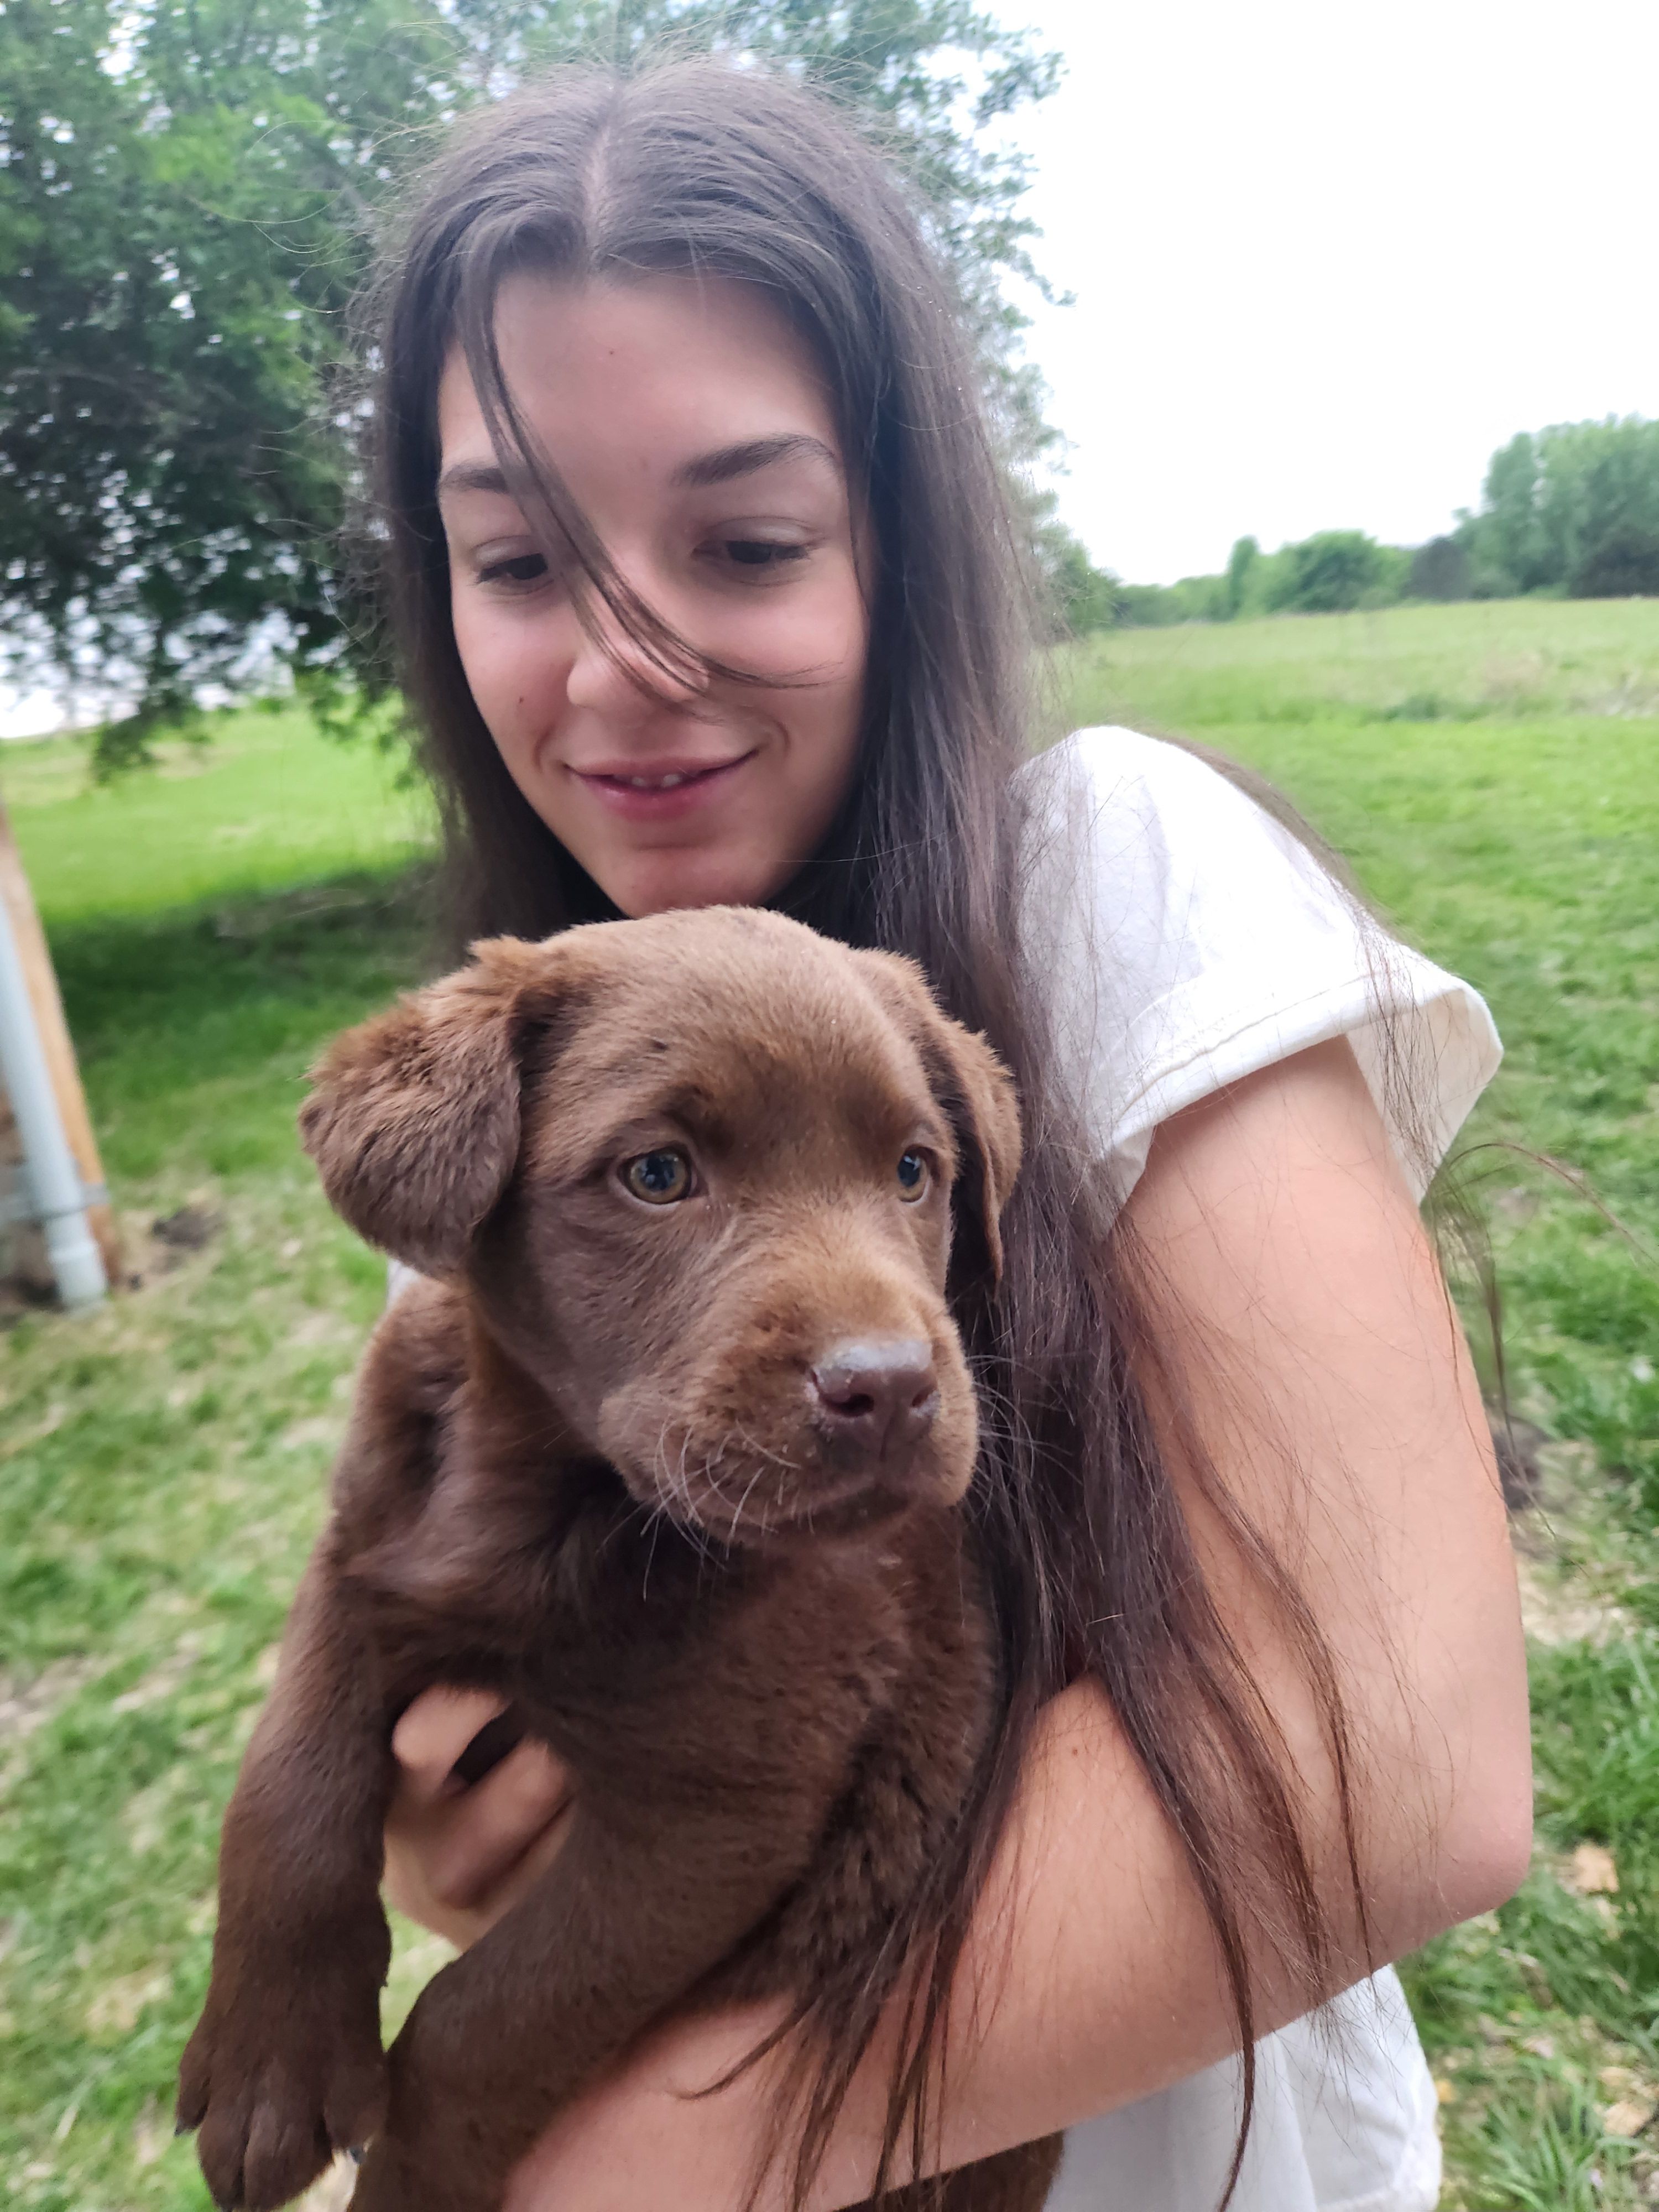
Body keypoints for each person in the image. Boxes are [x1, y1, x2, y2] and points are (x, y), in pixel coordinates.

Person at [359, 56, 1531, 2212]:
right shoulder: (528, 1100)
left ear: (899, 539)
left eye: (748, 538)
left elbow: (1408, 1771)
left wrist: (582, 2175)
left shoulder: (1100, 876)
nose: (626, 660)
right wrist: (449, 1824)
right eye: (520, 555)